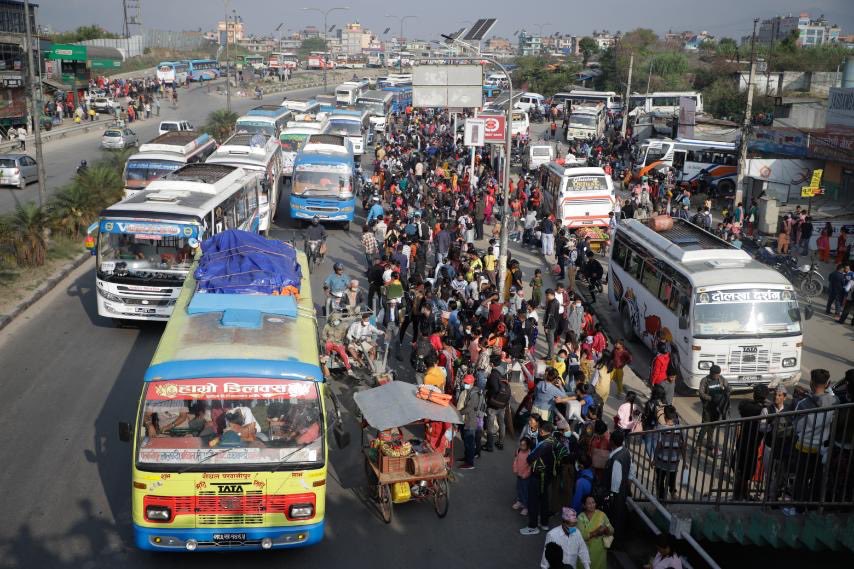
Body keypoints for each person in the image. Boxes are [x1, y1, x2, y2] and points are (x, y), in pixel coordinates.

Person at [791, 369, 839, 507]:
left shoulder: (803, 404)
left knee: (801, 479)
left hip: (804, 447)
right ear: (828, 384)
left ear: (811, 383)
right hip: (823, 449)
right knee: (817, 480)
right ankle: (812, 507)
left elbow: (797, 427)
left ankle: (798, 508)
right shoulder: (835, 402)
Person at [522, 421, 557, 535]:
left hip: (537, 476)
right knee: (544, 500)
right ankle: (544, 523)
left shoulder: (544, 444)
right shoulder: (554, 441)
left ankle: (533, 526)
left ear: (542, 431)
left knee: (533, 501)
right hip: (548, 476)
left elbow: (530, 458)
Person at [697, 365, 730, 455]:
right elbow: (701, 393)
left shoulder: (721, 379)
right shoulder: (705, 380)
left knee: (713, 426)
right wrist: (711, 398)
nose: (717, 376)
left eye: (718, 374)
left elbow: (727, 387)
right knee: (705, 426)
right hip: (708, 407)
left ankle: (709, 443)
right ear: (711, 373)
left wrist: (727, 391)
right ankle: (698, 444)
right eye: (715, 374)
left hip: (717, 407)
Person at [605, 429, 631, 543]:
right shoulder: (626, 452)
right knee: (619, 517)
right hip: (623, 490)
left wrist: (611, 496)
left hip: (616, 494)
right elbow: (631, 470)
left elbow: (615, 482)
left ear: (613, 442)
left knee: (615, 518)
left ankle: (614, 542)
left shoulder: (616, 459)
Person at [653, 405, 684, 500]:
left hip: (662, 460)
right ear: (674, 417)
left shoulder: (661, 428)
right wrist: (685, 460)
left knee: (660, 479)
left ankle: (661, 497)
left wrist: (654, 459)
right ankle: (673, 493)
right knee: (672, 478)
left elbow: (659, 445)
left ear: (665, 417)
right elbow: (682, 445)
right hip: (674, 460)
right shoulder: (679, 428)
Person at [577, 495, 613, 569]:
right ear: (584, 505)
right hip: (584, 551)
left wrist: (606, 529)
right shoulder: (580, 517)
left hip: (599, 551)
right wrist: (596, 532)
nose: (592, 505)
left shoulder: (602, 515)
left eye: (593, 502)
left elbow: (612, 530)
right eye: (589, 503)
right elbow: (582, 536)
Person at [457, 374, 484, 470]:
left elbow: (469, 408)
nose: (465, 384)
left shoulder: (474, 394)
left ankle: (470, 463)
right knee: (466, 441)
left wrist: (458, 413)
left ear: (472, 383)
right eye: (465, 383)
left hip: (471, 421)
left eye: (467, 383)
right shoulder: (470, 391)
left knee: (470, 443)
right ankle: (466, 458)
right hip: (467, 420)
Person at [512, 436, 533, 516]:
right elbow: (515, 460)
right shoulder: (518, 451)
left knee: (525, 491)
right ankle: (519, 501)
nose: (521, 447)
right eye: (521, 445)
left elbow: (530, 467)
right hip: (519, 474)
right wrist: (515, 468)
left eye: (523, 445)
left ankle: (526, 506)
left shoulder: (530, 454)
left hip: (525, 476)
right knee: (519, 488)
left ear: (528, 446)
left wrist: (526, 474)